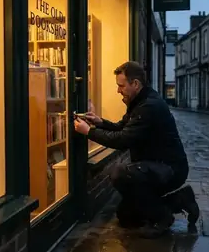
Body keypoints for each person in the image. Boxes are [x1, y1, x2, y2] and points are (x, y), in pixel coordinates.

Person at [74, 61, 199, 238]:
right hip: (156, 166)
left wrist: (89, 132)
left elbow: (123, 139)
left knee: (119, 173)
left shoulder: (149, 106)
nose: (118, 90)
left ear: (135, 84)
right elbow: (122, 127)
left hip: (169, 169)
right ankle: (181, 199)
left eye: (121, 86)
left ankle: (162, 219)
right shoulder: (140, 101)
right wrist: (100, 123)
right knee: (126, 217)